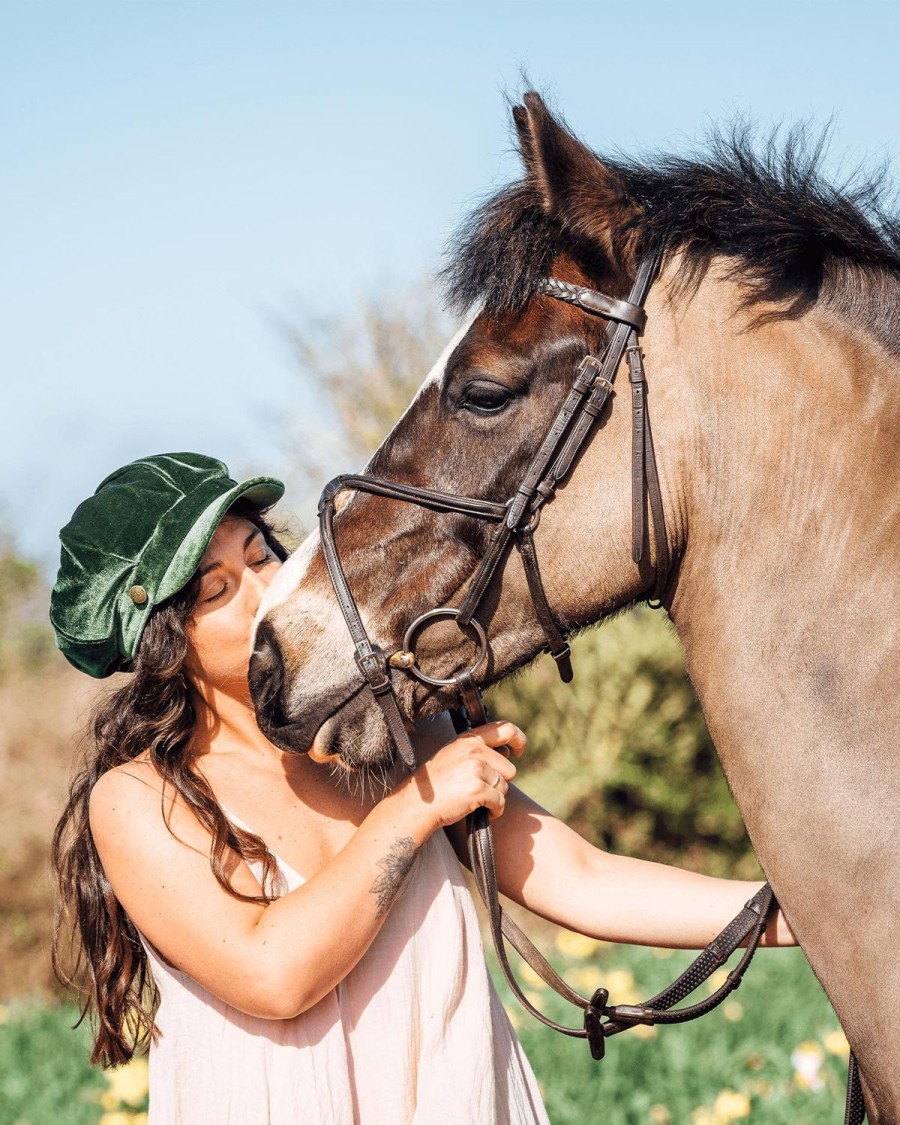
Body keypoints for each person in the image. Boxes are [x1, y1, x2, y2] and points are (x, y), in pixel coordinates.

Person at [50, 452, 796, 1125]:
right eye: (218, 589)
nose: (267, 591)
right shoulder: (138, 799)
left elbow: (580, 876)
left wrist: (794, 915)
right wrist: (414, 808)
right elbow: (273, 973)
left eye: (261, 555)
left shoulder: (392, 735)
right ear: (163, 642)